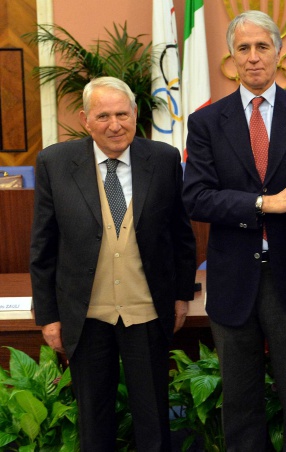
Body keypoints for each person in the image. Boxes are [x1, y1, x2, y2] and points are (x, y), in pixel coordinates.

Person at [29, 76, 197, 451]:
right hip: (86, 315)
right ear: (86, 120)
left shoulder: (164, 159)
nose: (115, 125)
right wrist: (48, 316)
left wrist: (182, 296)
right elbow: (43, 245)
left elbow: (181, 236)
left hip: (147, 312)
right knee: (94, 423)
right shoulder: (55, 163)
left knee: (154, 422)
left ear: (135, 114)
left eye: (122, 114)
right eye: (103, 116)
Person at [182, 10, 286, 452]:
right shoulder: (207, 122)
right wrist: (265, 203)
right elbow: (196, 198)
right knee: (240, 405)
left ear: (279, 53)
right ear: (231, 58)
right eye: (243, 48)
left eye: (262, 46)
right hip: (232, 280)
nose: (253, 57)